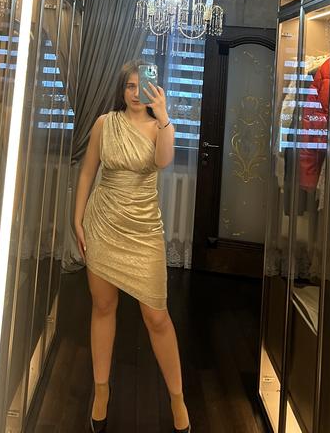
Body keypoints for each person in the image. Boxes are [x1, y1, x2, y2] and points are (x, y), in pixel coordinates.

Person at [74, 60, 191, 433]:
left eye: (143, 86)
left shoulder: (160, 128)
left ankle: (177, 400)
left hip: (143, 230)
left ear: (154, 89)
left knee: (157, 317)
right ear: (122, 90)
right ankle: (101, 392)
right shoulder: (104, 123)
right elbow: (88, 172)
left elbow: (164, 161)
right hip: (103, 222)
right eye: (130, 86)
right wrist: (77, 219)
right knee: (103, 307)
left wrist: (165, 116)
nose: (136, 93)